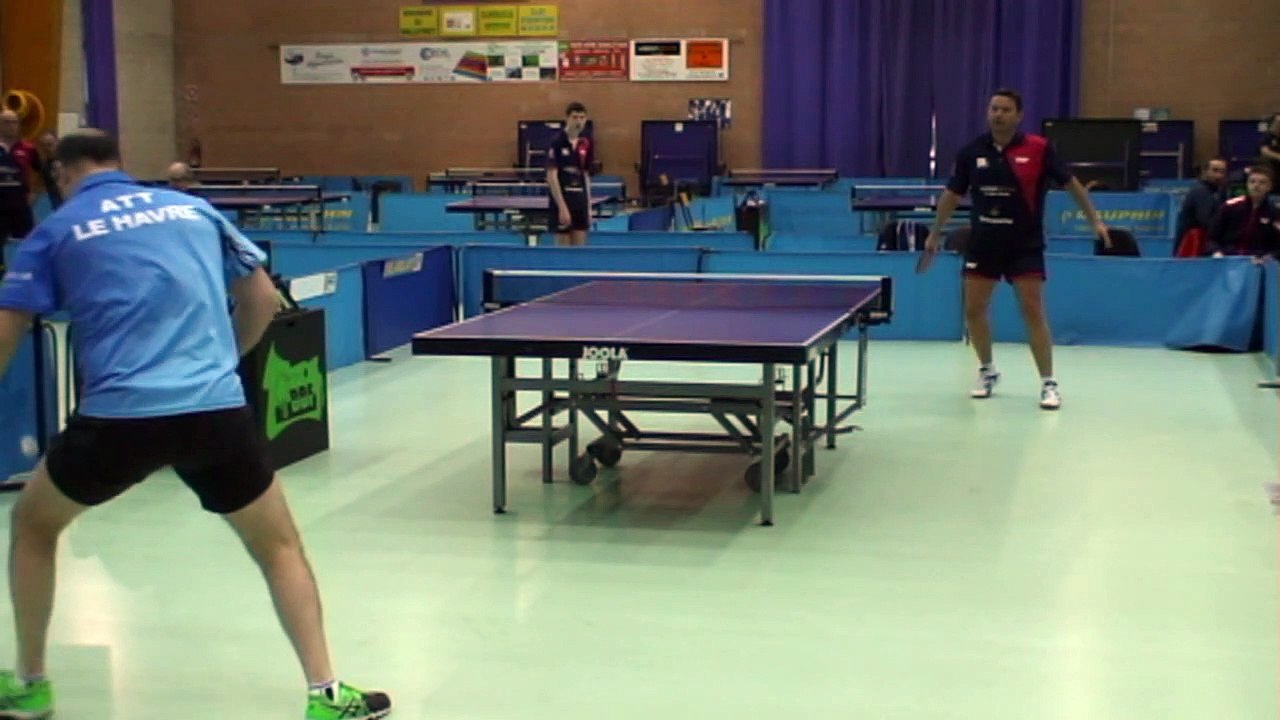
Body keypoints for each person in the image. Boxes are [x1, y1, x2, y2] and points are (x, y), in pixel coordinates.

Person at [0, 130, 391, 720]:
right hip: (214, 413)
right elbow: (262, 298)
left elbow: (9, 330)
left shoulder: (55, 230)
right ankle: (327, 693)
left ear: (61, 173)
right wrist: (224, 361)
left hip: (117, 420)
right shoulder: (193, 209)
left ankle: (30, 685)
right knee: (279, 546)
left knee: (33, 526)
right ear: (119, 163)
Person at [921, 89, 1111, 411]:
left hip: (1024, 244)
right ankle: (987, 370)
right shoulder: (971, 152)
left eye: (1005, 109)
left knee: (1032, 311)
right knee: (973, 311)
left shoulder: (1039, 148)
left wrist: (1095, 220)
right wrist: (935, 233)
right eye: (994, 108)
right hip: (983, 243)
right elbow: (952, 195)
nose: (998, 114)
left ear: (1019, 115)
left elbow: (1071, 184)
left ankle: (1048, 382)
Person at [1204, 165, 1279, 261]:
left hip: (1258, 262)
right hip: (1228, 260)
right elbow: (1212, 239)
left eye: (1262, 182)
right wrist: (1216, 252)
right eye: (1252, 181)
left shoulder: (1274, 212)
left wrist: (1270, 257)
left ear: (1269, 187)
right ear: (1247, 184)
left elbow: (1278, 247)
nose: (1256, 186)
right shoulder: (1230, 207)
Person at [545, 102, 593, 246]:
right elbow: (551, 177)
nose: (578, 121)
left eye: (582, 118)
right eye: (575, 117)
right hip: (563, 201)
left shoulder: (586, 143)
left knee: (580, 250)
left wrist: (589, 207)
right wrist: (562, 207)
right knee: (563, 251)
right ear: (567, 119)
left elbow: (585, 175)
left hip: (580, 202)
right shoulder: (557, 142)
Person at [1173, 157, 1227, 257]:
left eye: (1222, 172)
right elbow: (1206, 221)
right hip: (1190, 249)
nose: (1219, 175)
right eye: (1215, 171)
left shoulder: (1219, 192)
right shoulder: (1200, 191)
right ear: (1205, 172)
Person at [0, 110, 37, 241]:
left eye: (14, 122)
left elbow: (41, 171)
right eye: (6, 122)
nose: (11, 126)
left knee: (28, 240)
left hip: (20, 203)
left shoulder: (28, 148)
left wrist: (34, 191)